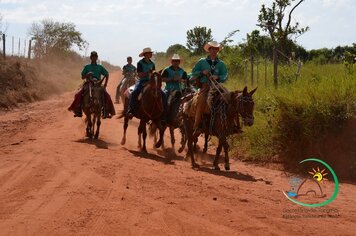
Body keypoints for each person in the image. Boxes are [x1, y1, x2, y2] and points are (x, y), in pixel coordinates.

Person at [191, 41, 228, 135]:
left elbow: (225, 75)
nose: (214, 50)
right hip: (205, 86)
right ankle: (196, 126)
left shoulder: (221, 64)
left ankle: (231, 125)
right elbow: (193, 72)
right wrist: (202, 72)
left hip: (217, 86)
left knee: (228, 99)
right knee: (201, 100)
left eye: (216, 49)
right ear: (209, 50)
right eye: (212, 48)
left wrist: (218, 77)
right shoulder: (202, 61)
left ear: (218, 50)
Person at [68, 51, 116, 118]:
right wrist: (87, 74)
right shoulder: (87, 67)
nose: (94, 58)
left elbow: (107, 74)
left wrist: (105, 84)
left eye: (95, 57)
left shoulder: (100, 67)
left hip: (98, 83)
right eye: (92, 57)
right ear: (90, 58)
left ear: (97, 58)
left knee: (107, 95)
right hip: (88, 83)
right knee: (78, 94)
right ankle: (78, 110)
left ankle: (106, 111)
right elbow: (82, 77)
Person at [127, 47, 156, 119]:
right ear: (145, 54)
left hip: (151, 81)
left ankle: (162, 112)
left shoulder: (152, 64)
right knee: (134, 92)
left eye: (151, 53)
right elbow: (139, 75)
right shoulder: (140, 63)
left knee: (161, 93)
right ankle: (130, 110)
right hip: (142, 81)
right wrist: (147, 73)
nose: (151, 54)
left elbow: (154, 73)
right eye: (150, 53)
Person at [161, 54, 188, 121]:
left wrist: (181, 80)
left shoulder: (182, 71)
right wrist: (172, 79)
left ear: (179, 62)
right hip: (169, 89)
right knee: (164, 101)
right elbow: (162, 79)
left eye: (177, 61)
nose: (176, 62)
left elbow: (186, 80)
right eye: (174, 61)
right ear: (172, 62)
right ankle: (162, 117)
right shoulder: (167, 70)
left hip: (179, 90)